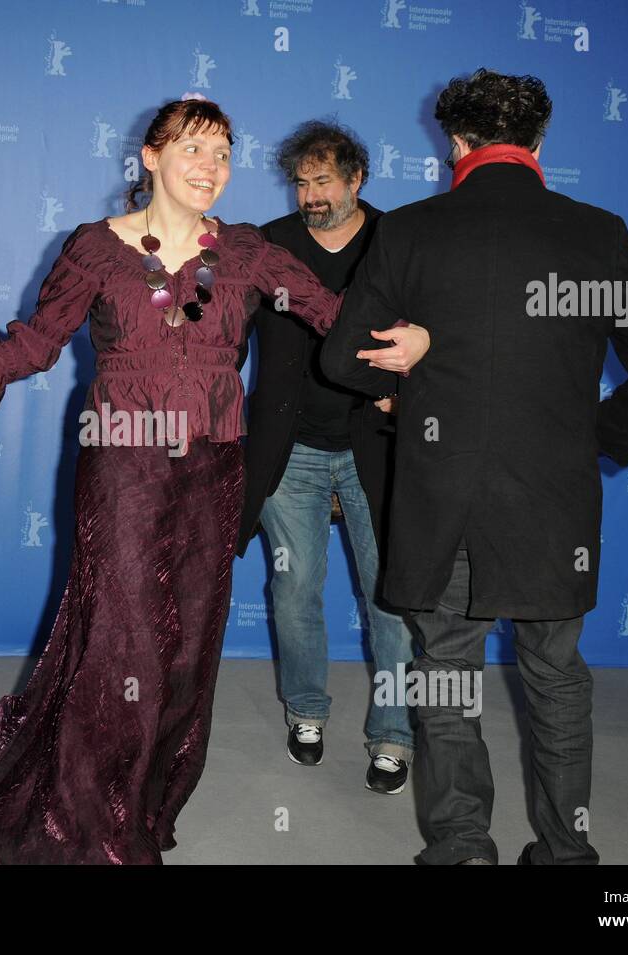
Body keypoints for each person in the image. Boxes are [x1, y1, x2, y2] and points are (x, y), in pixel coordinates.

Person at [0, 97, 431, 864]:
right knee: (124, 641)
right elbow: (35, 342)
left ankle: (143, 797)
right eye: (193, 149)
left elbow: (336, 317)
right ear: (151, 156)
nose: (212, 167)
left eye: (223, 153)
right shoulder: (96, 248)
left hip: (215, 469)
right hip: (125, 466)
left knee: (185, 650)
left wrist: (419, 342)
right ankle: (94, 823)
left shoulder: (247, 253)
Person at [321, 69, 628, 864]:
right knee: (556, 676)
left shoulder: (412, 231)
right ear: (540, 140)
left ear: (456, 142)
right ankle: (568, 851)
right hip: (552, 502)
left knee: (445, 673)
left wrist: (420, 363)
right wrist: (596, 437)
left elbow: (342, 358)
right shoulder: (596, 234)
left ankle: (462, 846)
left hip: (444, 498)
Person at [237, 120, 415, 791]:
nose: (311, 194)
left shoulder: (398, 241)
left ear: (357, 179)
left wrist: (409, 397)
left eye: (324, 181)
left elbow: (434, 336)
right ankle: (306, 711)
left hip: (379, 446)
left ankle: (394, 735)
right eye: (301, 182)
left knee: (391, 596)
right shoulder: (269, 245)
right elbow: (229, 335)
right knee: (295, 588)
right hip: (291, 449)